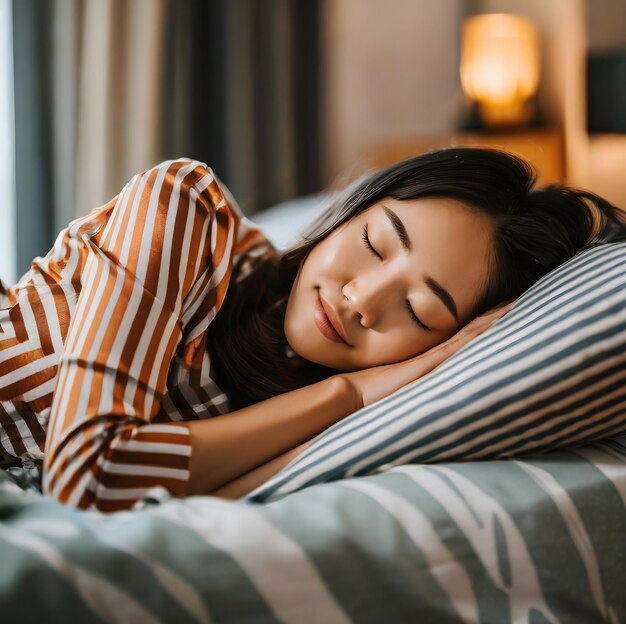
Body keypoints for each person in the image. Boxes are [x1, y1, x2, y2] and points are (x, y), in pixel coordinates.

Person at [1, 148, 624, 511]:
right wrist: (343, 396)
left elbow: (198, 501)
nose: (361, 299)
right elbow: (89, 475)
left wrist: (358, 403)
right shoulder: (183, 211)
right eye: (375, 244)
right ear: (348, 212)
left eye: (421, 312)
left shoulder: (339, 416)